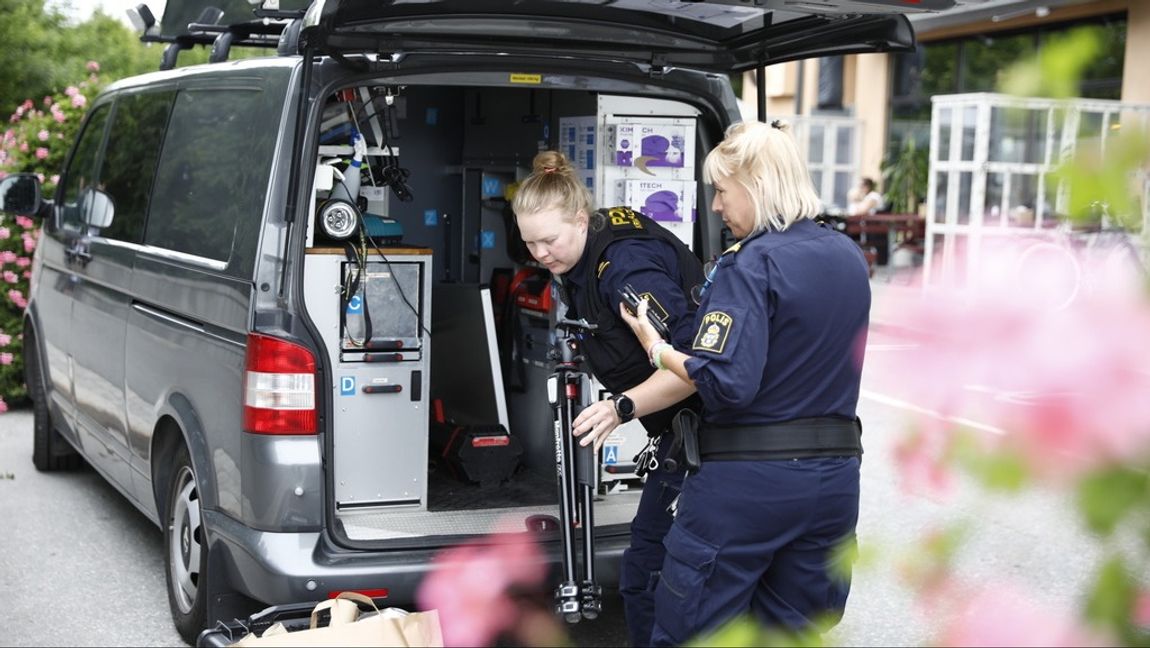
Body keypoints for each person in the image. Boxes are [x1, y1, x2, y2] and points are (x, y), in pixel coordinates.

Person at [583, 119, 871, 646]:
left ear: (757, 185)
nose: (716, 206)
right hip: (833, 483)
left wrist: (657, 347)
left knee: (696, 630)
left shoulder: (752, 264)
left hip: (747, 488)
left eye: (721, 190)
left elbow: (726, 383)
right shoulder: (847, 256)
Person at [511, 150, 705, 648]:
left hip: (712, 438)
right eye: (529, 243)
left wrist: (621, 407)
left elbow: (697, 368)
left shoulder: (625, 270)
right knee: (649, 572)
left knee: (649, 575)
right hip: (683, 436)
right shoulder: (587, 258)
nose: (540, 254)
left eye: (549, 240)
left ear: (580, 219)